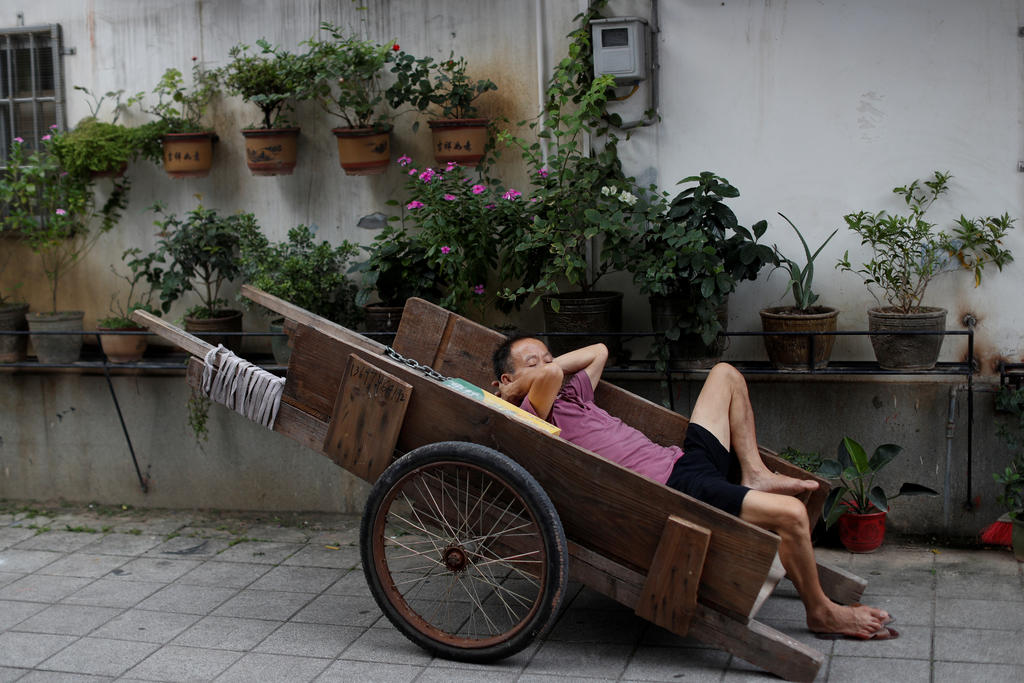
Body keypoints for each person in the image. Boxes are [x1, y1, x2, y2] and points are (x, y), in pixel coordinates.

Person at [491, 336, 897, 640]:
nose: (546, 363)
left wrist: (532, 371)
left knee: (725, 374)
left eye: (547, 354)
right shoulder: (532, 411)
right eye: (531, 362)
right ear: (508, 379)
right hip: (671, 489)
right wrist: (517, 389)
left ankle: (753, 472)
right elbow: (551, 374)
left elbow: (598, 350)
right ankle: (821, 611)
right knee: (790, 514)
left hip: (683, 464)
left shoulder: (572, 391)